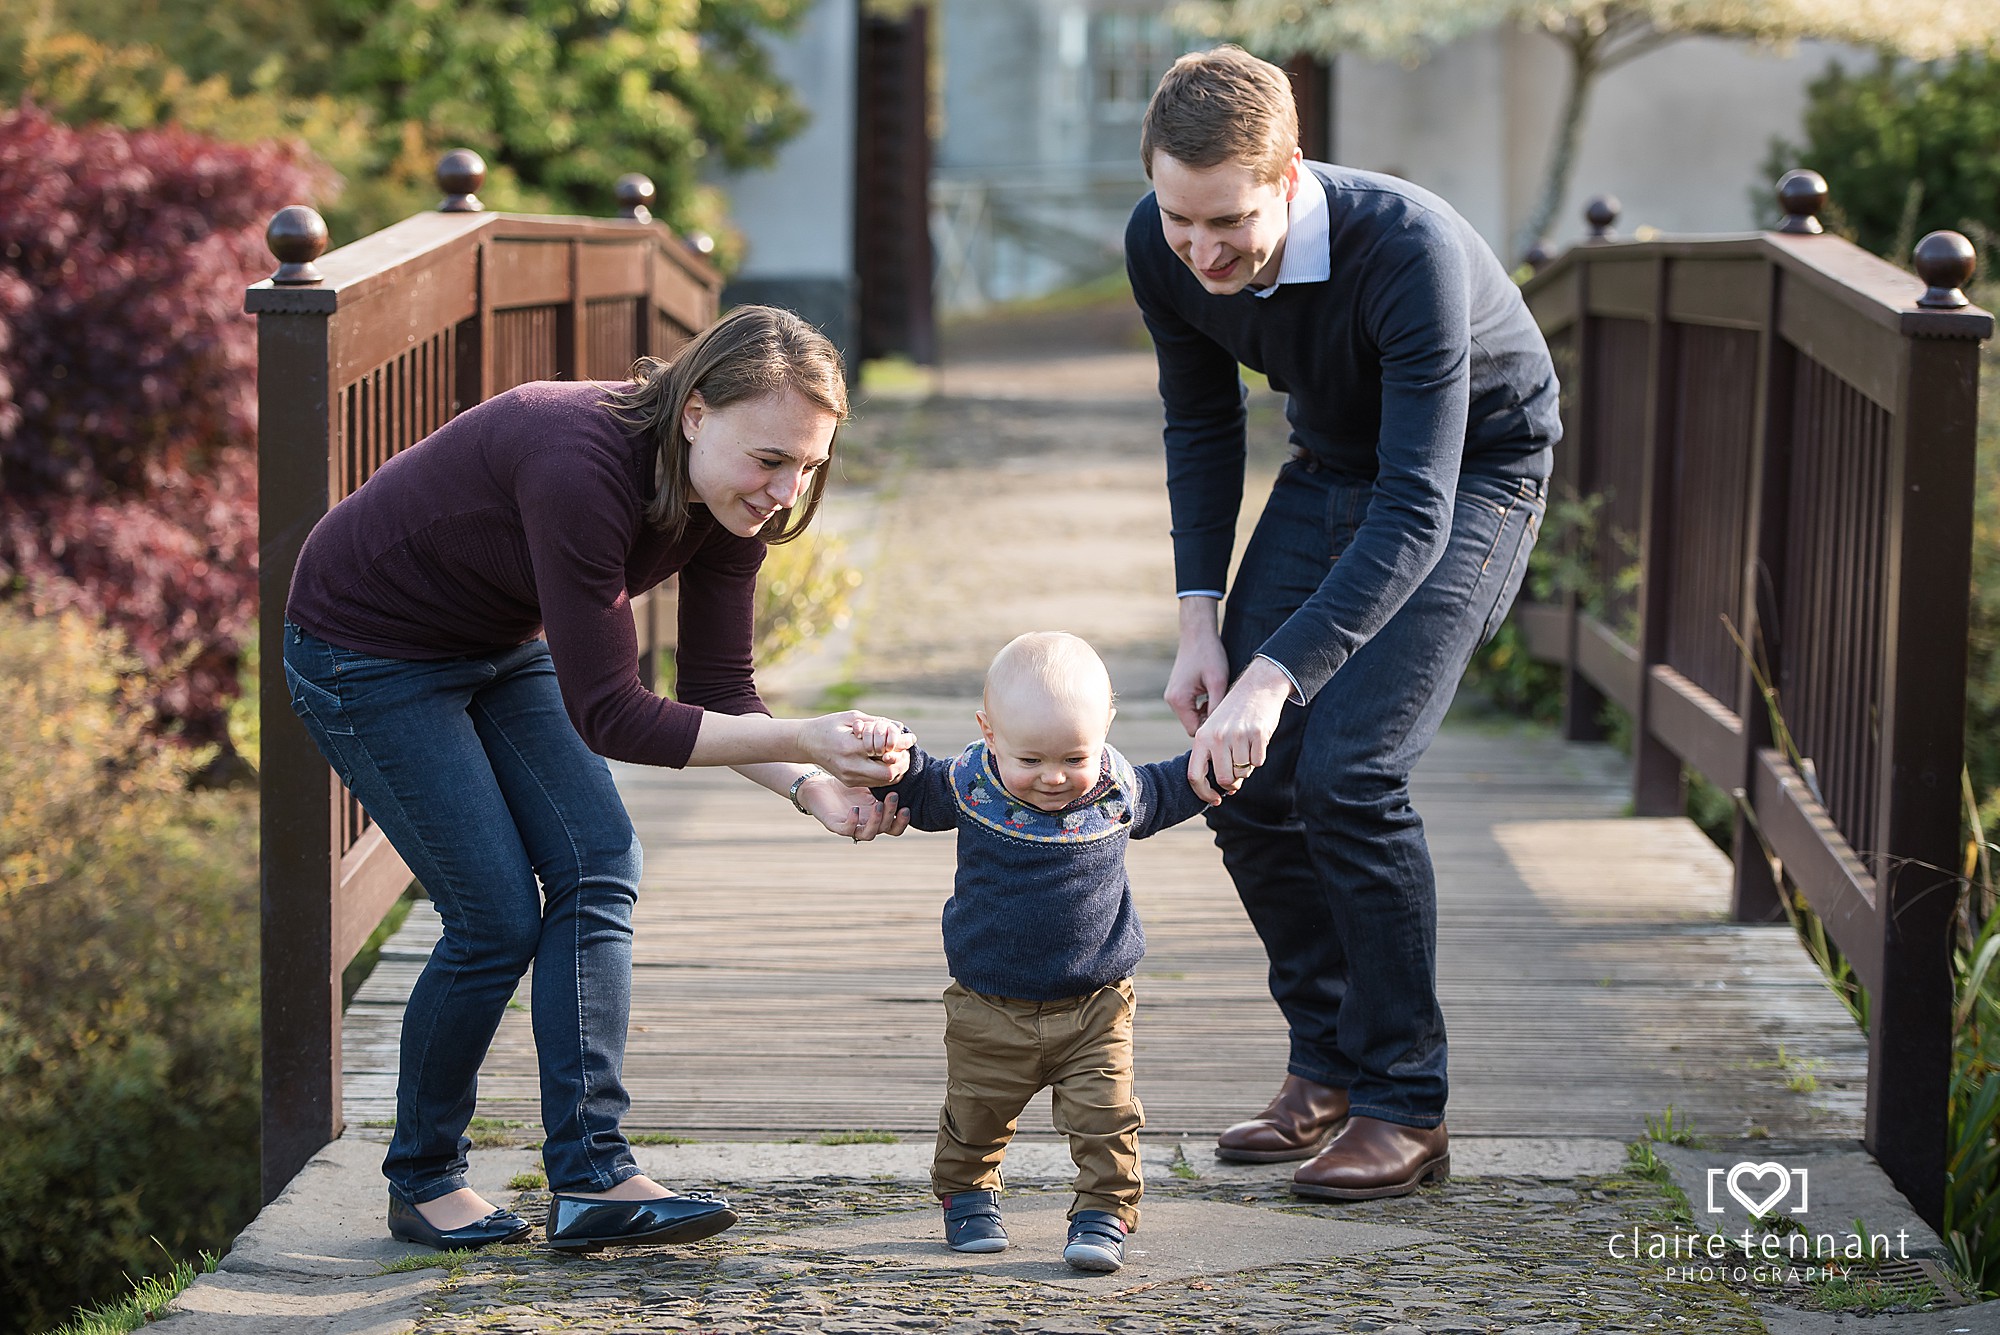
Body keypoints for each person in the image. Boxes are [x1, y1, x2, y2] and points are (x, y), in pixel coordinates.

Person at [281, 305, 914, 1254]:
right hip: (366, 646)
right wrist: (813, 740)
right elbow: (611, 714)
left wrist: (811, 786)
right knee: (495, 915)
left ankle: (593, 1175)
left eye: (810, 465)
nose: (787, 489)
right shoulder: (578, 460)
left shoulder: (733, 501)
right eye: (772, 459)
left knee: (600, 858)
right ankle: (422, 1177)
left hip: (494, 641)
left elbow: (716, 689)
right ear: (695, 411)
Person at [1123, 47, 1560, 1201]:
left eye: (1227, 224)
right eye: (1179, 221)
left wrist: (1276, 677)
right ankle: (1322, 1066)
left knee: (1350, 774)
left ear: (1288, 173)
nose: (1201, 253)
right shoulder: (1157, 244)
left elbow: (1417, 511)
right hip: (1329, 466)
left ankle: (1403, 1105)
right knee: (1245, 781)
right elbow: (1200, 427)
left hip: (1473, 478)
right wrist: (1202, 629)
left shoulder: (1402, 247)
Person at [871, 632, 1214, 1273]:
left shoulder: (1119, 791)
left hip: (1096, 1006)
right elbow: (916, 789)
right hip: (988, 1003)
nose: (1053, 777)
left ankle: (1103, 1212)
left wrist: (1216, 765)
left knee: (1107, 1119)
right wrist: (891, 755)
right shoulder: (969, 784)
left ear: (1105, 729)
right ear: (989, 733)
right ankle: (967, 1194)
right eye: (1030, 758)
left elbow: (1175, 788)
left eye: (1073, 757)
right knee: (976, 1112)